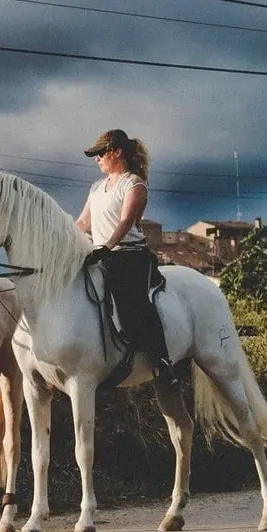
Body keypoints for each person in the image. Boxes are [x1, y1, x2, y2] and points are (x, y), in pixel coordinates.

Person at [75, 128, 177, 387]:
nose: (96, 158)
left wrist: (107, 247)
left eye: (100, 153)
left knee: (134, 301)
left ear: (116, 152)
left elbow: (124, 223)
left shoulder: (134, 184)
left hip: (129, 255)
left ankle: (162, 360)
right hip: (100, 253)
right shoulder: (96, 187)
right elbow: (83, 221)